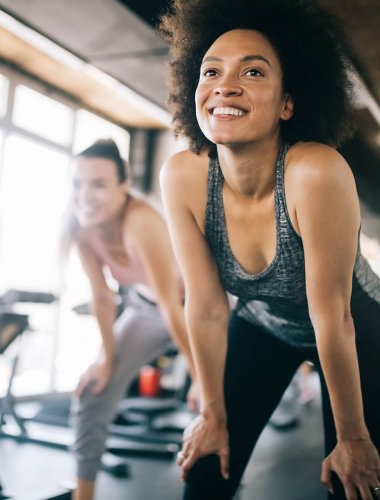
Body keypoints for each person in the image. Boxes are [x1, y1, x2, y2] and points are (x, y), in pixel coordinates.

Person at [157, 0, 380, 498]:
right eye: (210, 71)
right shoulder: (184, 177)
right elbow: (209, 307)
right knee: (205, 469)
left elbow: (333, 317)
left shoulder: (315, 172)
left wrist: (353, 438)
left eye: (252, 71)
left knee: (355, 483)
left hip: (357, 326)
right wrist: (211, 414)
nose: (224, 85)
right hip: (263, 324)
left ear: (288, 103)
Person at [63, 139, 197, 500]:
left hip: (197, 309)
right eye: (78, 183)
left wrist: (200, 377)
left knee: (217, 399)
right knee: (93, 390)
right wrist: (105, 361)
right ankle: (84, 495)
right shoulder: (81, 228)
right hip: (144, 309)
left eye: (99, 184)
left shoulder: (141, 221)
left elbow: (173, 305)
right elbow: (102, 298)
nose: (85, 195)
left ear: (123, 188)